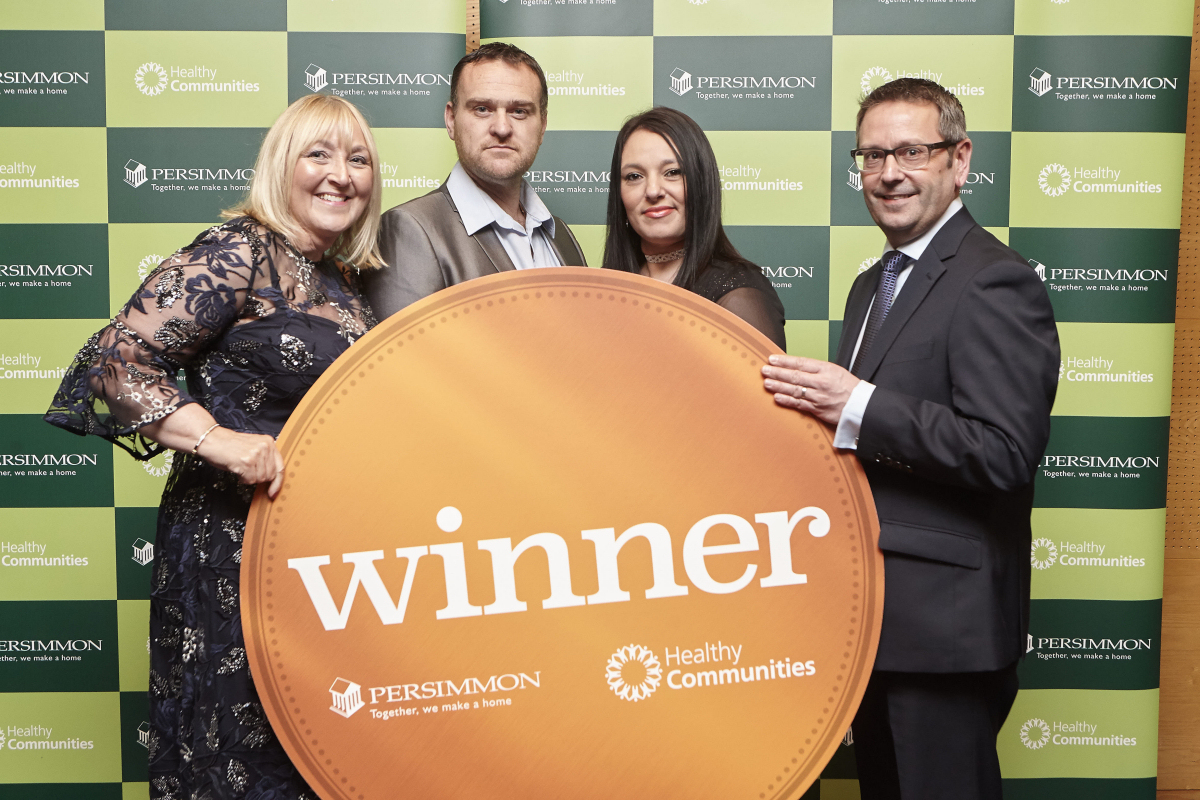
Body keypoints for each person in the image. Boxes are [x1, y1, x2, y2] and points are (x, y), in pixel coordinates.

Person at [44, 94, 383, 800]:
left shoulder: (342, 282)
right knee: (235, 754)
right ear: (282, 166)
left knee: (316, 752)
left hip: (316, 559)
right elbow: (114, 363)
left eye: (357, 159)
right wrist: (218, 439)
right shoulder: (238, 252)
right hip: (228, 548)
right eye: (317, 154)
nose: (339, 175)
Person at [760, 78, 1059, 799]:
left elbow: (1004, 452)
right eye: (872, 155)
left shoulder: (994, 280)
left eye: (911, 151)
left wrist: (856, 402)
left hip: (947, 638)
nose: (888, 172)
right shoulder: (874, 283)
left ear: (960, 160)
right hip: (877, 624)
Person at [364, 42, 586, 319]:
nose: (502, 128)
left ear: (542, 127)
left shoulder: (561, 235)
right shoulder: (409, 230)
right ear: (451, 120)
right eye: (482, 109)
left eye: (519, 111)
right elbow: (405, 359)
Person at [602, 107, 786, 349]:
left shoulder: (737, 292)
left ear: (701, 183)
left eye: (673, 172)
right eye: (634, 176)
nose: (653, 191)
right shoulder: (606, 287)